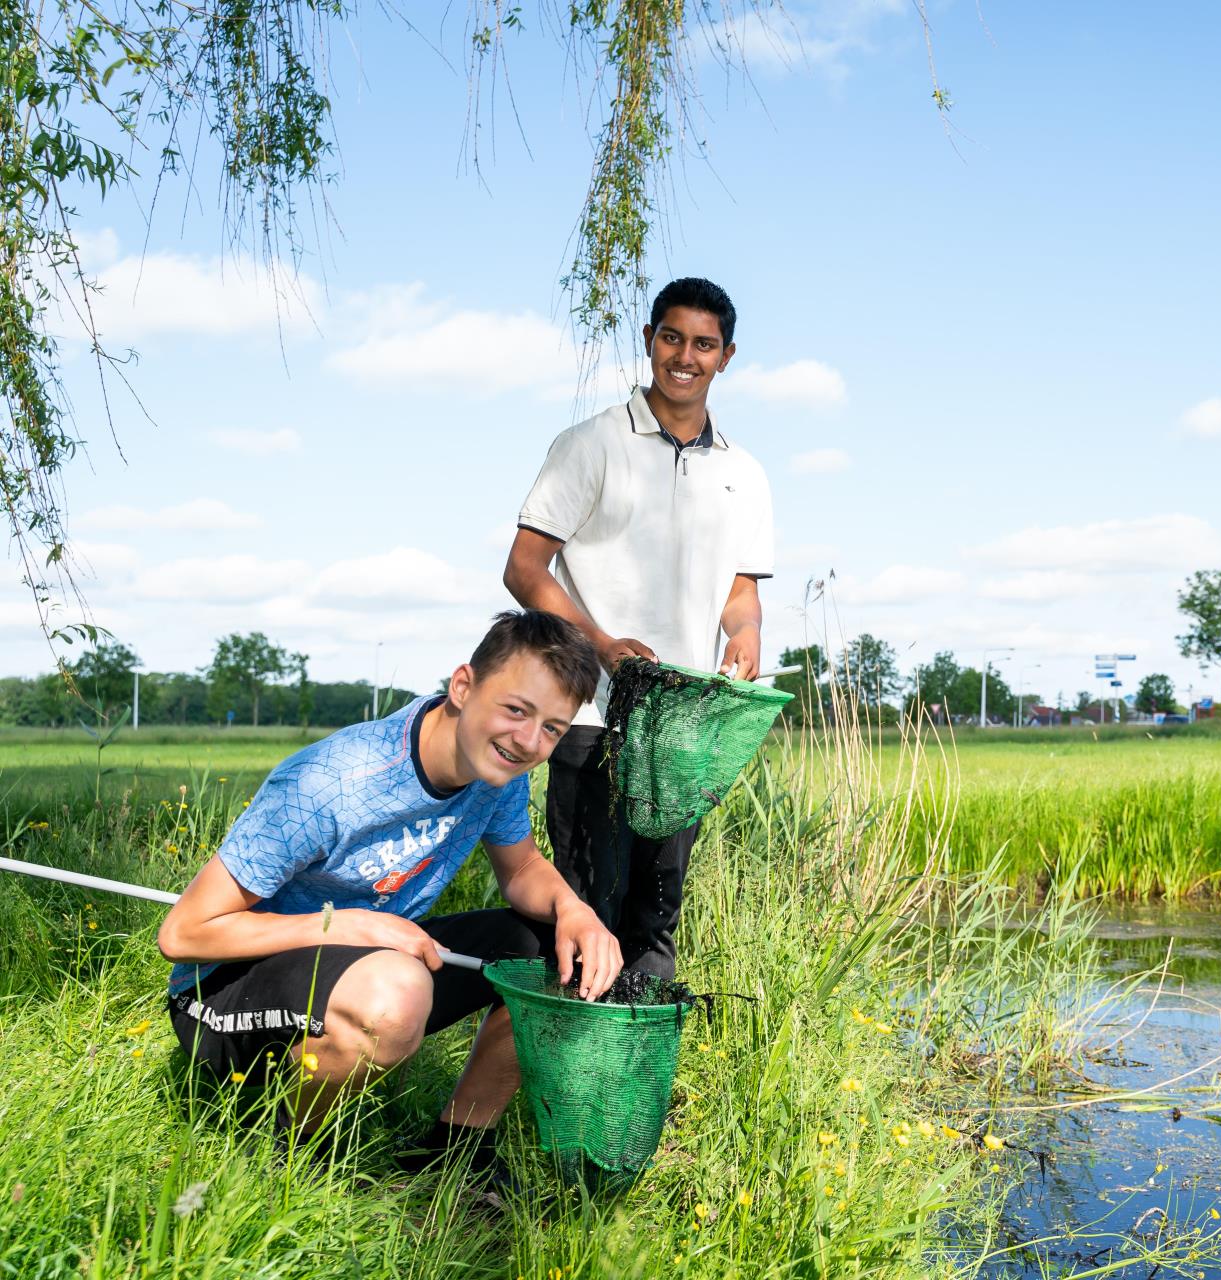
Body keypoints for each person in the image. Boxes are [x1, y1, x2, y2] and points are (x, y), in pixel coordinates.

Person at [158, 610, 621, 1174]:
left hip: (361, 963)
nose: (528, 740)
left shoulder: (497, 767)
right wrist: (343, 924)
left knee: (555, 952)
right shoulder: (329, 783)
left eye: (551, 727)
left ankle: (456, 1152)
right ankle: (292, 1154)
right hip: (220, 996)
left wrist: (575, 910)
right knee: (396, 994)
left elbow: (521, 866)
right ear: (462, 686)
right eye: (516, 710)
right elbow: (183, 933)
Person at [505, 276, 772, 981]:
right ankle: (565, 1083)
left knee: (657, 922)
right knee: (587, 916)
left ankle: (636, 1080)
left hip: (682, 736)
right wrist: (601, 644)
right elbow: (526, 569)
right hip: (592, 721)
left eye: (704, 344)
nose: (685, 356)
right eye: (672, 338)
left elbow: (739, 590)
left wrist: (744, 632)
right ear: (650, 340)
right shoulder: (590, 444)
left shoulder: (745, 473)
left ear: (727, 356)